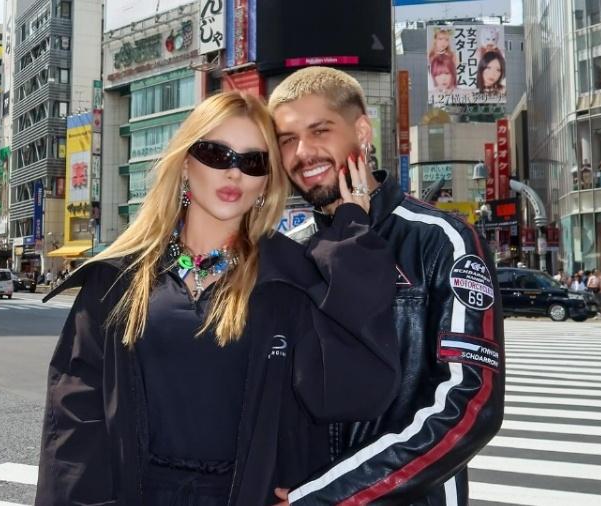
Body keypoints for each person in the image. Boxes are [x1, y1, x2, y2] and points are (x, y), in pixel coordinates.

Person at [35, 92, 401, 505]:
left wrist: (350, 237)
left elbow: (354, 392)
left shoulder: (291, 278)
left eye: (253, 161)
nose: (234, 173)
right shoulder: (118, 277)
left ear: (266, 181)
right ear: (185, 163)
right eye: (216, 154)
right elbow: (74, 418)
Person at [269, 67, 504, 505]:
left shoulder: (441, 239)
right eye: (286, 139)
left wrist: (331, 496)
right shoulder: (292, 251)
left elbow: (470, 404)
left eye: (320, 130)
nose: (303, 152)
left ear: (362, 131)